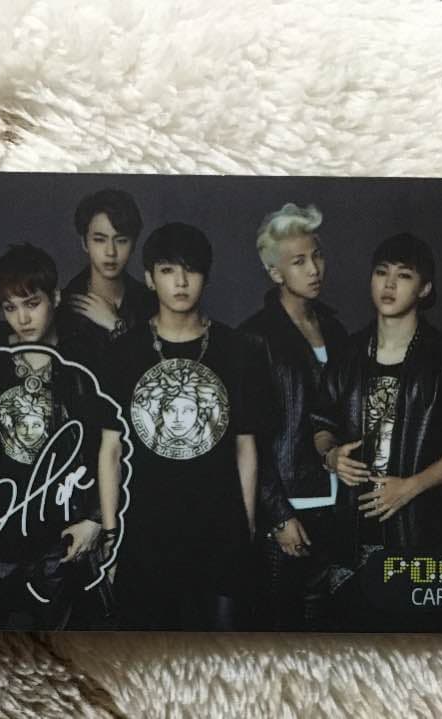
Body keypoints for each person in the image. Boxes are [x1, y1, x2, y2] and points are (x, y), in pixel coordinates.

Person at [0, 244, 121, 629]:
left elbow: (110, 442)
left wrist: (96, 519)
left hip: (60, 539)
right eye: (11, 307)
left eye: (32, 303)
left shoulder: (83, 359)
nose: (23, 318)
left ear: (56, 298)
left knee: (61, 655)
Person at [100, 222, 267, 630]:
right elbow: (111, 450)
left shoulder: (238, 350)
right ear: (149, 278)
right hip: (146, 534)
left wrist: (246, 527)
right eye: (167, 270)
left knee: (222, 653)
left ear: (206, 277)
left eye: (190, 270)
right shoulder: (123, 353)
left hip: (219, 531)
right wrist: (111, 534)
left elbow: (246, 447)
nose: (180, 282)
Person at [314, 233, 442, 628]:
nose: (389, 285)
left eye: (404, 276)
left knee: (413, 641)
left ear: (424, 288)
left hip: (419, 533)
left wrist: (410, 487)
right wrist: (331, 456)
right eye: (381, 273)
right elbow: (321, 423)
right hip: (352, 534)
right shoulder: (348, 353)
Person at [239, 203, 348, 630]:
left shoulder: (336, 329)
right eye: (299, 261)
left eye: (317, 255)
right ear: (275, 273)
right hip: (289, 507)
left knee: (334, 627)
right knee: (280, 629)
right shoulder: (255, 337)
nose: (314, 269)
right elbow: (248, 438)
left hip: (338, 503)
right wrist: (278, 515)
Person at [59, 188, 157, 362]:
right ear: (84, 243)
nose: (111, 252)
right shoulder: (62, 305)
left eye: (121, 241)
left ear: (133, 245)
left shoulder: (151, 303)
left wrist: (115, 325)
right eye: (99, 240)